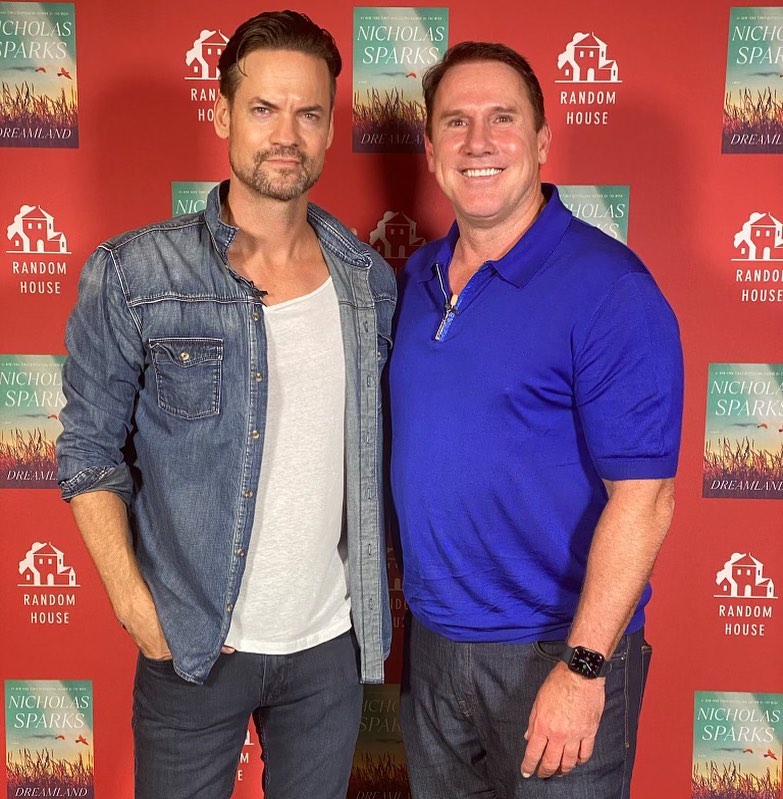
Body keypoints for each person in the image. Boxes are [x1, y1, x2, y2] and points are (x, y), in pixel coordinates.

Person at [56, 11, 395, 799]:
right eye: (264, 108)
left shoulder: (367, 282)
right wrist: (137, 607)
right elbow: (87, 450)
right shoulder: (135, 273)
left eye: (308, 113)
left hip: (328, 651)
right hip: (193, 646)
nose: (287, 134)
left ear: (330, 128)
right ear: (221, 115)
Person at [389, 41, 683, 798]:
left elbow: (645, 497)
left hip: (555, 650)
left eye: (502, 119)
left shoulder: (610, 288)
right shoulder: (416, 279)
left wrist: (583, 668)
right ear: (431, 151)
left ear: (543, 140)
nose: (478, 142)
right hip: (434, 650)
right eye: (455, 122)